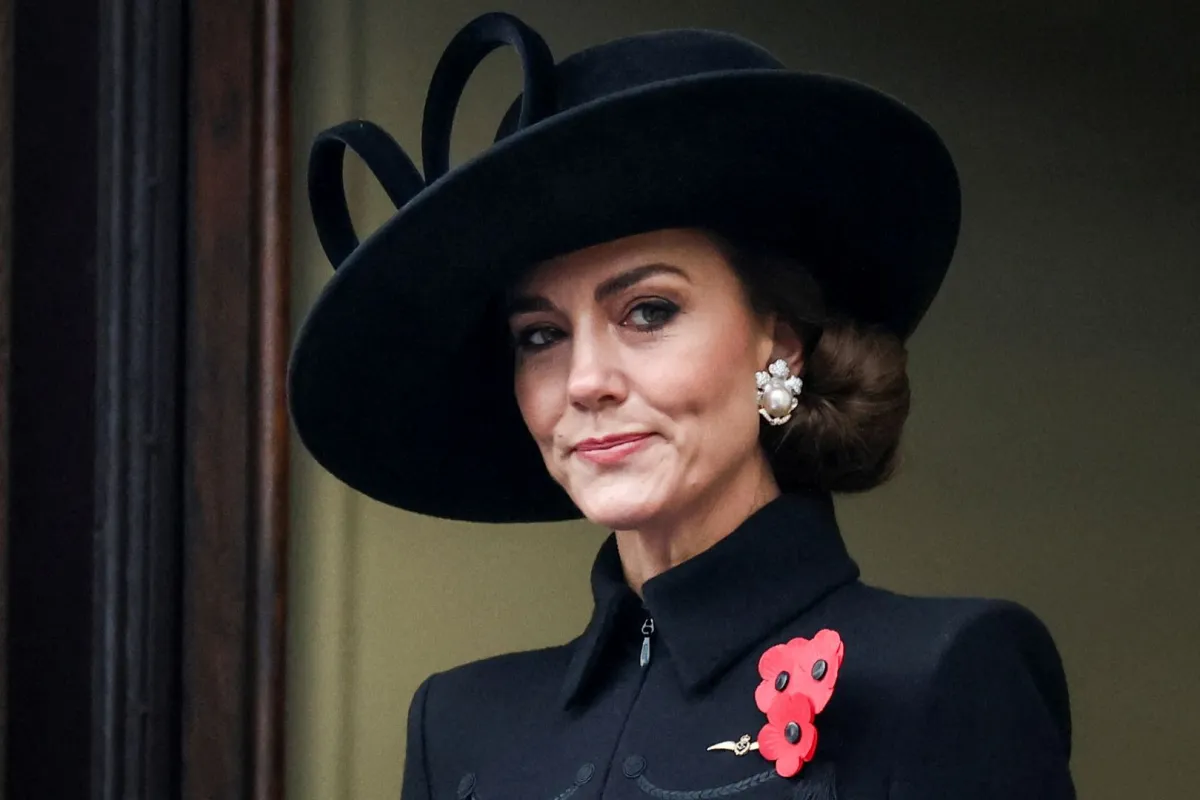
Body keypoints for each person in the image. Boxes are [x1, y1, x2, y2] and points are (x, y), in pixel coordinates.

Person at [288, 11, 1075, 800]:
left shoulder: (943, 673)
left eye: (649, 312)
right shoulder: (458, 724)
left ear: (781, 345)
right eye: (539, 336)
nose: (585, 379)